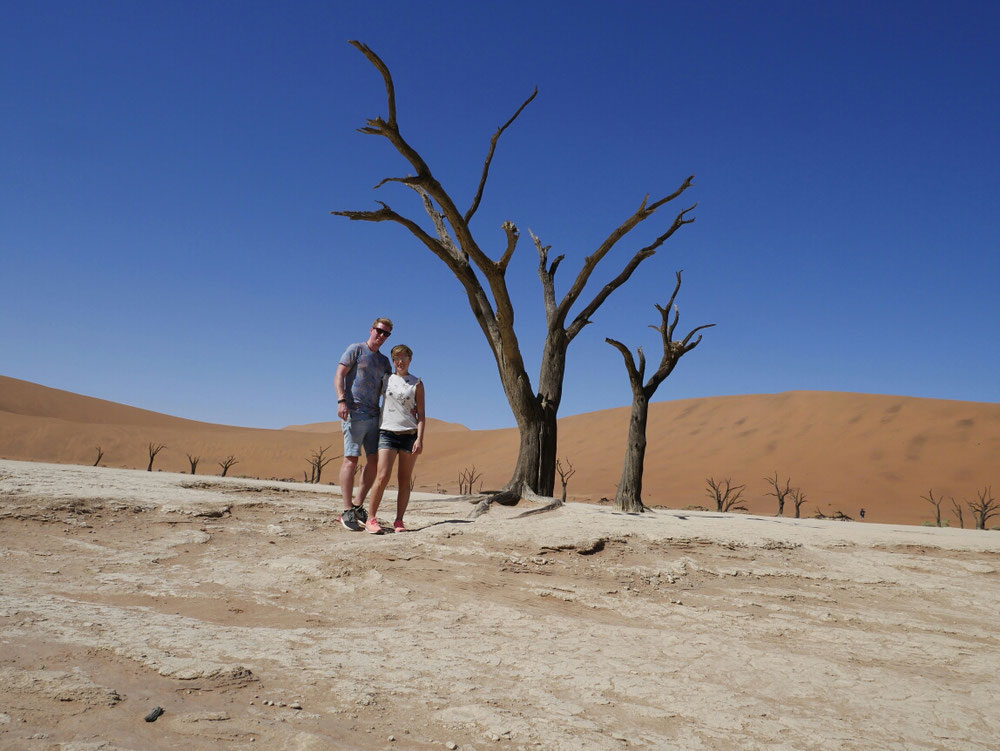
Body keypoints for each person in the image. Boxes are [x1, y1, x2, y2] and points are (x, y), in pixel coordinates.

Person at [335, 318, 393, 531]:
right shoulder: (356, 349)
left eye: (386, 334)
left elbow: (389, 389)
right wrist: (342, 400)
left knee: (374, 461)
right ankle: (346, 509)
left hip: (374, 416)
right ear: (371, 329)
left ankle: (358, 505)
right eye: (379, 331)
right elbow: (339, 375)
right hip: (354, 412)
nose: (381, 336)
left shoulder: (385, 361)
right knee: (350, 459)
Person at [365, 343, 425, 533]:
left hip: (409, 434)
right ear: (393, 360)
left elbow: (422, 414)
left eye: (404, 357)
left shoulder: (417, 383)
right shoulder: (386, 379)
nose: (400, 361)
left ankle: (399, 521)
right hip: (387, 432)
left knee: (404, 479)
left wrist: (420, 439)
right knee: (382, 476)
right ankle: (371, 518)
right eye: (397, 358)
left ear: (410, 359)